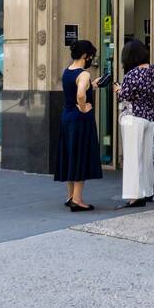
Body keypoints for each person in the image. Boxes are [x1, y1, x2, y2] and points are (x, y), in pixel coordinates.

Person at [55, 40, 102, 211]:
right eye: (91, 55)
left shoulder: (67, 71)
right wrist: (83, 107)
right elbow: (81, 94)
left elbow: (78, 88)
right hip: (80, 120)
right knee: (80, 156)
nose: (91, 58)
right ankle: (77, 200)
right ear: (85, 56)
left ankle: (70, 196)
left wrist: (93, 85)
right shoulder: (84, 74)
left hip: (67, 118)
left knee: (71, 155)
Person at [114, 38, 154, 208]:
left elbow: (124, 96)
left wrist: (118, 89)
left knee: (132, 157)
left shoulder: (131, 74)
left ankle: (134, 196)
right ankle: (148, 191)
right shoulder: (153, 71)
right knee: (146, 157)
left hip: (132, 117)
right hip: (150, 117)